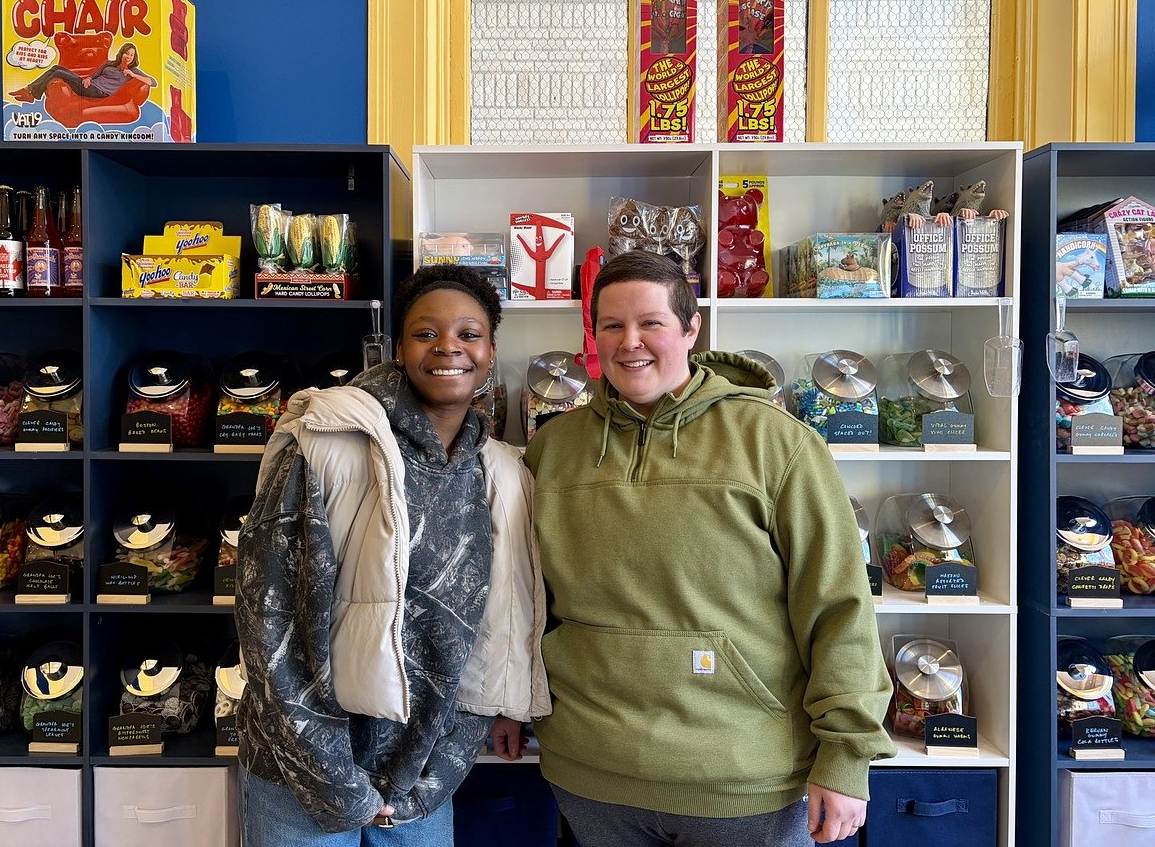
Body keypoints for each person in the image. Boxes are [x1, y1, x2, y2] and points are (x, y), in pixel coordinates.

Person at [524, 251, 895, 846]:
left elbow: (837, 605)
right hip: (590, 771)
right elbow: (528, 599)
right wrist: (509, 702)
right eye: (612, 325)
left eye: (651, 323)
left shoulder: (777, 442)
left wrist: (847, 755)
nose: (630, 342)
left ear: (691, 329)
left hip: (746, 779)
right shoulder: (554, 447)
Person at [235, 265, 550, 846]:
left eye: (469, 334)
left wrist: (439, 772)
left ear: (490, 352)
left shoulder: (500, 471)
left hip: (420, 777)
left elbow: (496, 633)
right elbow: (268, 618)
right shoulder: (327, 442)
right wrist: (336, 782)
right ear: (399, 350)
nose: (448, 347)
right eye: (426, 333)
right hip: (302, 776)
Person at [9, 42, 156, 103]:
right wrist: (88, 78)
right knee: (56, 68)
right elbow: (95, 74)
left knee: (57, 73)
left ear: (134, 57)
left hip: (99, 92)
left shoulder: (133, 71)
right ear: (121, 53)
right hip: (88, 85)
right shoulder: (109, 63)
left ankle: (32, 93)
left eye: (131, 55)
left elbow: (153, 82)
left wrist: (133, 75)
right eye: (126, 53)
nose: (128, 56)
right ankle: (30, 91)